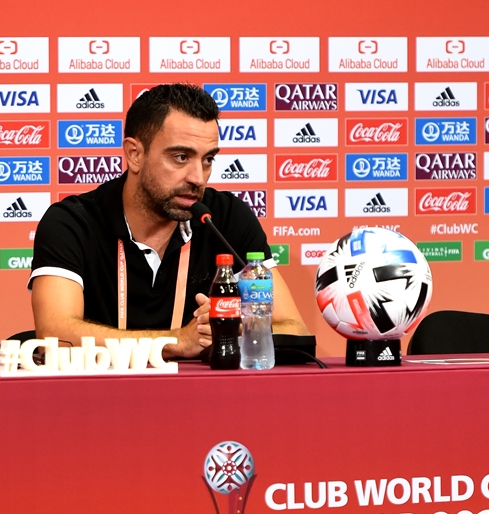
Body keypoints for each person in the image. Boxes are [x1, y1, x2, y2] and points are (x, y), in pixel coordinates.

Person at [30, 83, 309, 359]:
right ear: (134, 154)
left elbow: (294, 329)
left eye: (208, 160)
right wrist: (177, 341)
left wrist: (233, 328)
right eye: (181, 157)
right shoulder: (72, 223)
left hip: (199, 390)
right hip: (102, 387)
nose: (197, 177)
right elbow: (53, 337)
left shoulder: (225, 218)